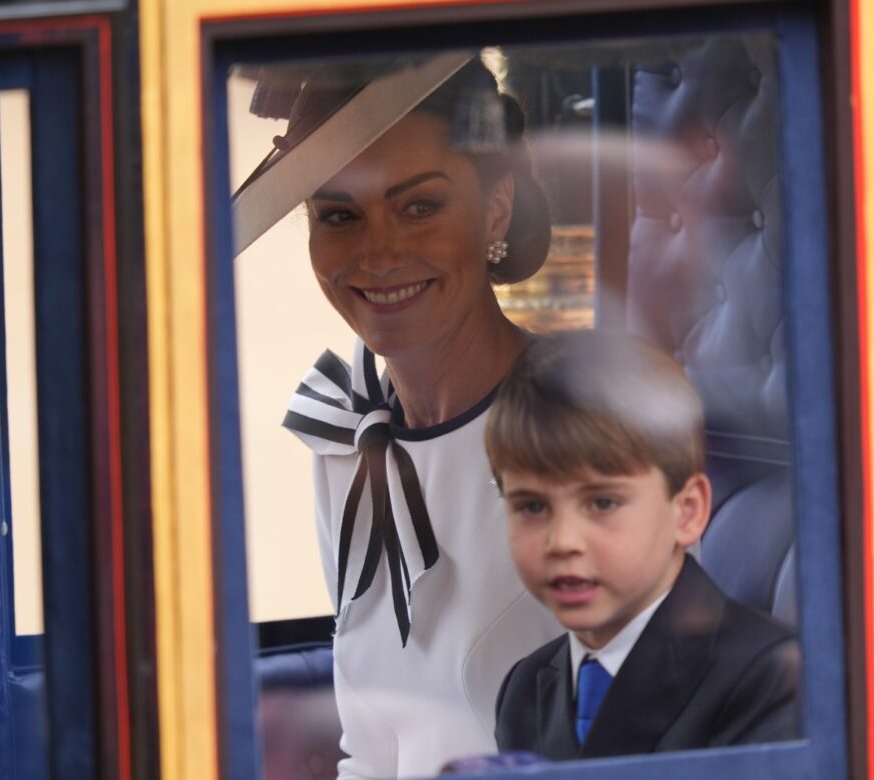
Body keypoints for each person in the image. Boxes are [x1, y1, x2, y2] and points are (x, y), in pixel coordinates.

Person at [276, 57, 563, 778]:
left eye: (419, 207)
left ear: (494, 209)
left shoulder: (580, 425)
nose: (377, 254)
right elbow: (367, 751)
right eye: (338, 215)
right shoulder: (342, 443)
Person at [487, 330, 801, 760]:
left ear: (687, 512)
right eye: (532, 507)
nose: (562, 542)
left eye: (602, 502)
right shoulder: (524, 689)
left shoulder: (770, 676)